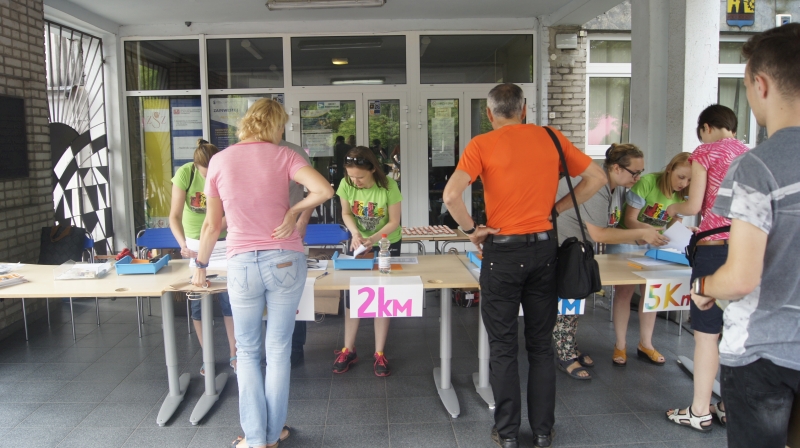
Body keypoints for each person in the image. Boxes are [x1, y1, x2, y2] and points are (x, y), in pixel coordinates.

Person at [443, 83, 606, 448]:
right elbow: (597, 177)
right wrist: (556, 209)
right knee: (540, 345)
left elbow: (451, 196)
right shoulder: (551, 138)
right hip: (544, 251)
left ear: (489, 113)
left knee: (503, 347)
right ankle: (544, 431)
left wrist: (472, 230)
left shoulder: (481, 144)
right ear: (524, 110)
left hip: (502, 253)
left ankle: (507, 434)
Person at [191, 98, 333, 448]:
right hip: (285, 260)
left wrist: (200, 266)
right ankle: (273, 434)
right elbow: (324, 190)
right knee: (279, 350)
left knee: (247, 352)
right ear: (276, 126)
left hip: (241, 263)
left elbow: (211, 225)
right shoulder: (285, 156)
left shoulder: (220, 161)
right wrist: (293, 212)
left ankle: (254, 438)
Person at [690, 24, 800, 448]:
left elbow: (739, 279)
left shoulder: (758, 166)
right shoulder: (744, 154)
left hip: (764, 352)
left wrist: (703, 288)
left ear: (761, 84)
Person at [664, 105, 749, 431]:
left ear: (707, 127)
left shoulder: (705, 152)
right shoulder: (749, 153)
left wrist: (674, 208)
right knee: (735, 331)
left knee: (706, 334)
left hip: (713, 252)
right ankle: (728, 406)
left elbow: (695, 204)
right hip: (746, 249)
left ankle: (699, 411)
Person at [552, 144, 668, 381]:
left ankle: (570, 348)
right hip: (560, 247)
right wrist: (641, 234)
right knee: (568, 301)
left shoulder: (611, 186)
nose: (638, 178)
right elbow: (599, 234)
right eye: (634, 172)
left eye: (641, 172)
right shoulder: (598, 185)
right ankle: (565, 355)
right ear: (616, 168)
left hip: (570, 247)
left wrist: (640, 235)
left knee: (572, 300)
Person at [609, 152, 691, 367]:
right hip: (628, 240)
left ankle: (646, 344)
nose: (684, 184)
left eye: (689, 180)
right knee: (624, 292)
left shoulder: (684, 194)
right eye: (681, 177)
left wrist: (683, 232)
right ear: (670, 169)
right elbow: (629, 219)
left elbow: (673, 224)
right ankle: (620, 344)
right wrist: (652, 231)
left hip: (654, 245)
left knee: (651, 293)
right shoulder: (647, 182)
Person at [332, 145, 402, 377]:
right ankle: (348, 348)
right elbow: (346, 213)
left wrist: (373, 239)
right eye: (351, 176)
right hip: (359, 242)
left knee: (382, 295)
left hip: (386, 241)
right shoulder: (346, 184)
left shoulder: (388, 186)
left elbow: (393, 221)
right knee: (353, 294)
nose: (355, 182)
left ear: (373, 169)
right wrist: (356, 234)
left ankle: (379, 352)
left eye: (360, 177)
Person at [168, 139, 236, 376]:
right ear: (196, 166)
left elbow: (235, 210)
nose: (209, 179)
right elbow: (174, 216)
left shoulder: (226, 171)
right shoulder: (185, 174)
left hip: (223, 243)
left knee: (230, 301)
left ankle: (235, 353)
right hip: (194, 245)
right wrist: (183, 244)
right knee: (198, 304)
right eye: (205, 174)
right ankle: (207, 356)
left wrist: (214, 225)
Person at [280, 139, 315, 366]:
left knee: (292, 288)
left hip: (289, 233)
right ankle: (273, 347)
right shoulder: (245, 152)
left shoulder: (293, 151)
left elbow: (316, 190)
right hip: (258, 235)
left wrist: (302, 220)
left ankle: (295, 346)